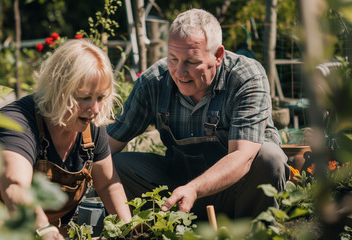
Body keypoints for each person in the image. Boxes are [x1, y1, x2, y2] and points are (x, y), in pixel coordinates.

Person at [107, 8, 290, 221]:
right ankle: (162, 229)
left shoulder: (245, 77)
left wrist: (194, 189)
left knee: (269, 157)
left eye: (192, 62)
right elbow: (108, 144)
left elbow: (243, 157)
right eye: (173, 59)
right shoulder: (154, 82)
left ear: (218, 55)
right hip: (179, 192)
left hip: (237, 193)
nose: (179, 72)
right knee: (117, 165)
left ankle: (251, 231)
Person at [0, 39, 132, 239]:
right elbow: (15, 186)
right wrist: (44, 229)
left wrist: (130, 231)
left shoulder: (89, 128)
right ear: (58, 90)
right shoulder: (18, 123)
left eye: (100, 98)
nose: (95, 109)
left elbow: (108, 184)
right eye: (84, 97)